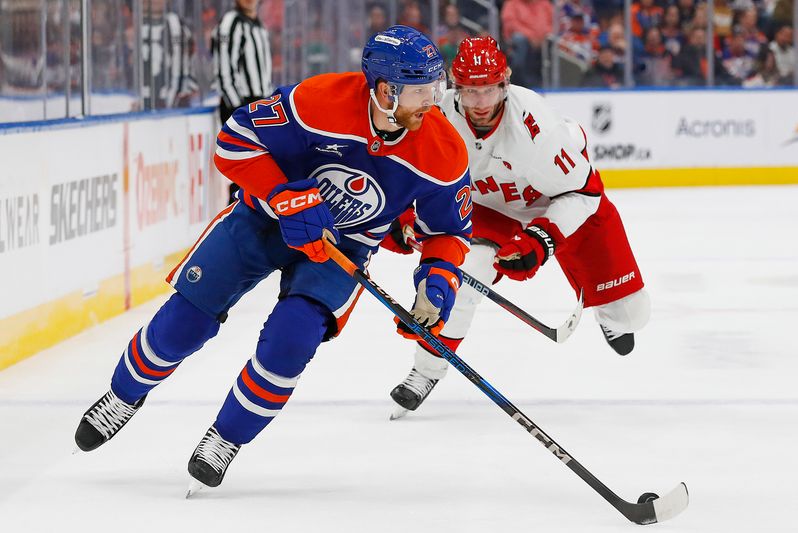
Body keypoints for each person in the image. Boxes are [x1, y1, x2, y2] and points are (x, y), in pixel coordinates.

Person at [73, 25, 473, 491]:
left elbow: (448, 232)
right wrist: (284, 196)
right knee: (184, 323)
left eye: (436, 87)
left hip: (340, 249)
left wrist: (438, 283)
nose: (433, 100)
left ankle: (225, 438)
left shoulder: (444, 150)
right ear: (385, 89)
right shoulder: (318, 101)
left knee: (291, 341)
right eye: (421, 90)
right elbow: (233, 142)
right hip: (261, 221)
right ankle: (124, 396)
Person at [383, 37, 650, 416]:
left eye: (488, 90)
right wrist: (403, 215)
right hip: (488, 206)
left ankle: (608, 310)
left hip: (559, 200)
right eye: (470, 91)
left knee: (631, 314)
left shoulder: (536, 129)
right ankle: (425, 371)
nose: (479, 103)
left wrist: (541, 238)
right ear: (454, 86)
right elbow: (409, 169)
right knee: (461, 278)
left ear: (504, 83)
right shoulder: (437, 116)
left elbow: (585, 194)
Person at [211, 0, 273, 204]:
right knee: (243, 169)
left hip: (260, 105)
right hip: (242, 107)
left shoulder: (258, 25)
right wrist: (238, 110)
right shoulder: (231, 23)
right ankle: (238, 217)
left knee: (260, 169)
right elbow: (223, 71)